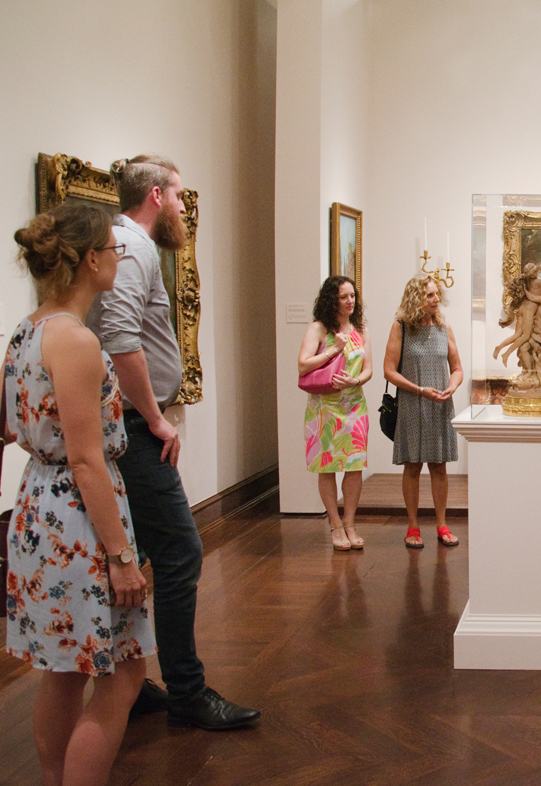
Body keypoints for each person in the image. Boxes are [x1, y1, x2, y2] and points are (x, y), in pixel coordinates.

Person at [88, 155, 260, 729]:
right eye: (181, 197)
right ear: (157, 195)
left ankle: (129, 684)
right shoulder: (132, 246)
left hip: (132, 423)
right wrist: (154, 419)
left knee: (135, 555)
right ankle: (187, 693)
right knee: (181, 552)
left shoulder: (125, 245)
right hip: (135, 427)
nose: (185, 208)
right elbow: (119, 340)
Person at [8, 205, 155, 784]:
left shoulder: (29, 330)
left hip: (39, 510)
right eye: (113, 249)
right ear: (91, 259)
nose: (118, 257)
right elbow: (86, 459)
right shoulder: (74, 340)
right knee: (125, 673)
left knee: (65, 669)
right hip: (76, 521)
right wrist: (121, 557)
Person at [383, 275, 462, 549]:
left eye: (436, 294)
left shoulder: (444, 327)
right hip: (412, 404)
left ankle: (442, 524)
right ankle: (413, 526)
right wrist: (419, 390)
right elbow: (389, 371)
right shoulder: (401, 327)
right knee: (413, 466)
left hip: (440, 405)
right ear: (416, 298)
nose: (436, 299)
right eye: (429, 295)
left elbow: (458, 369)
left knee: (439, 466)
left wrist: (451, 387)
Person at [299, 275, 373, 550]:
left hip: (354, 405)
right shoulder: (318, 328)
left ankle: (350, 523)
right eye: (344, 297)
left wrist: (356, 380)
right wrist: (334, 350)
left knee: (354, 468)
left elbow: (369, 368)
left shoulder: (360, 327)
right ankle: (335, 524)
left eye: (352, 296)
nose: (350, 301)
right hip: (324, 409)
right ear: (332, 300)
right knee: (327, 467)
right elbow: (303, 365)